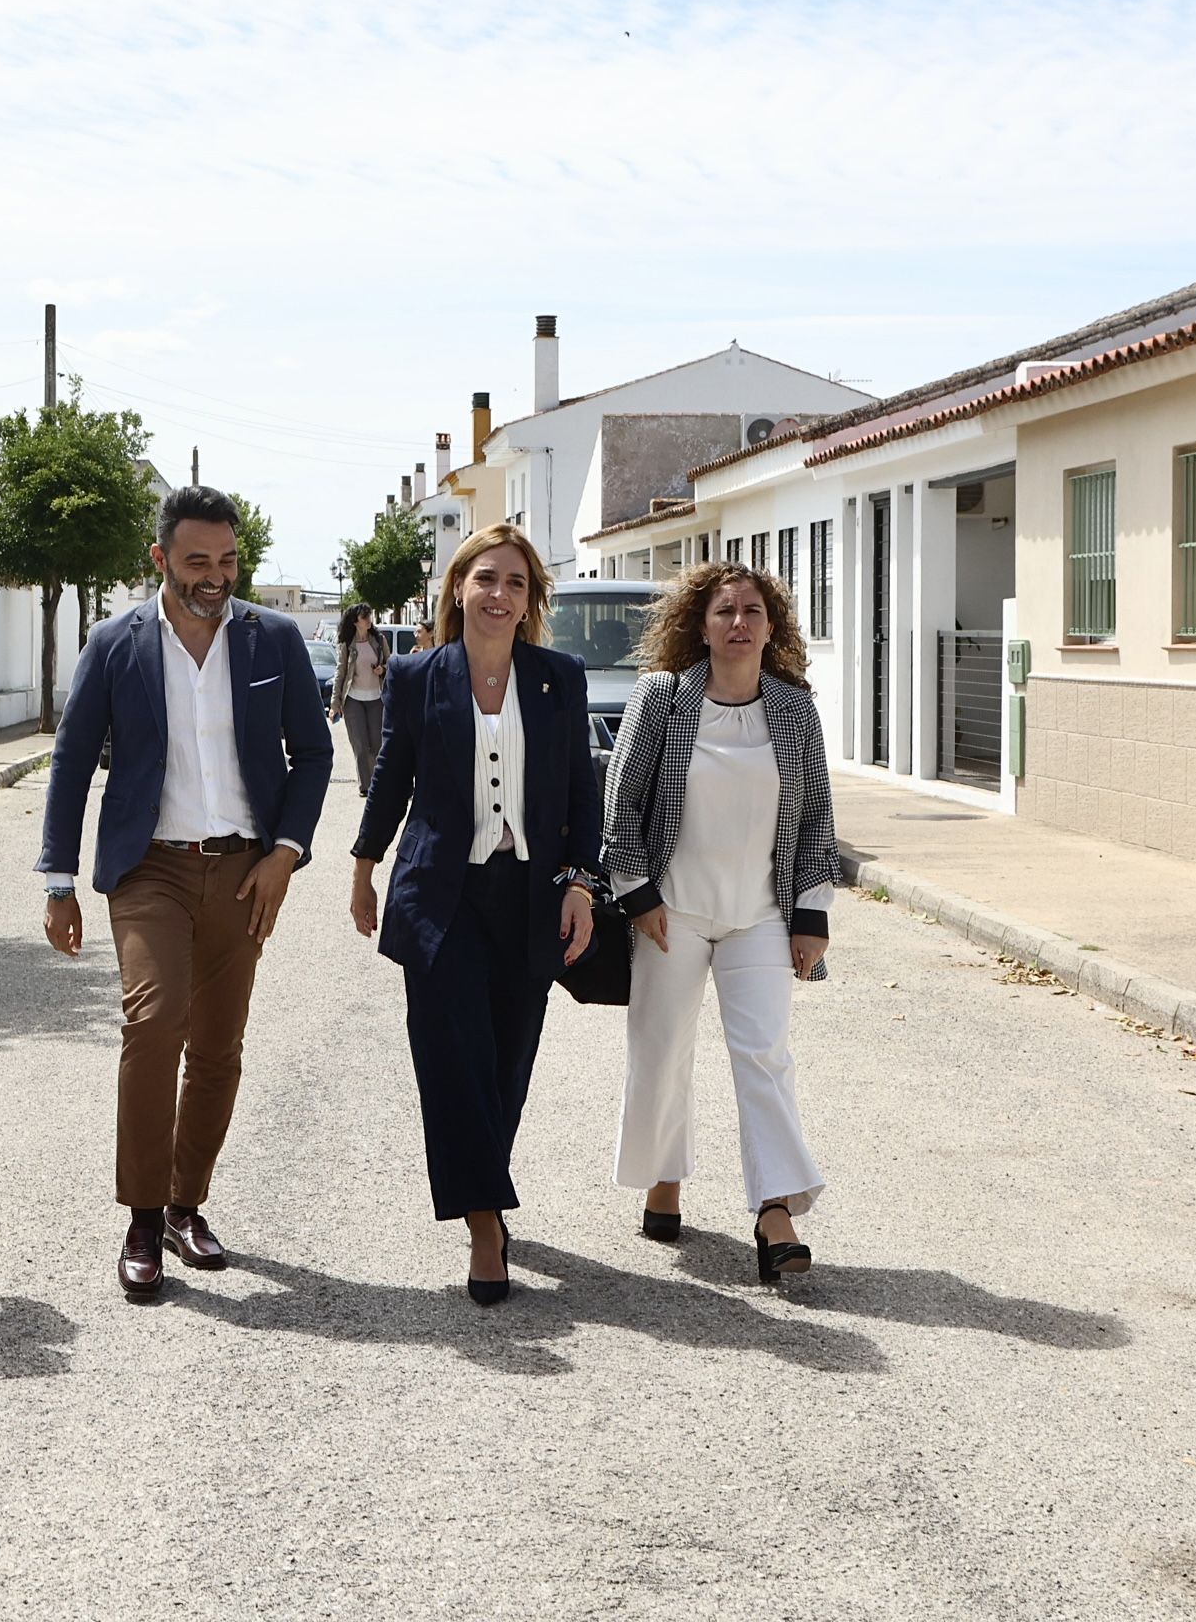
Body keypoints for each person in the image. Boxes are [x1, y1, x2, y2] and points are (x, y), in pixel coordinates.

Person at [38, 485, 334, 1302]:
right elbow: (69, 761)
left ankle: (184, 1203)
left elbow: (312, 754)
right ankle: (140, 1216)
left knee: (218, 1049)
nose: (216, 577)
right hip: (149, 869)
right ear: (160, 559)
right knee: (155, 1020)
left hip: (244, 871)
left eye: (229, 560)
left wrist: (285, 853)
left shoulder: (270, 638)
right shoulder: (116, 643)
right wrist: (59, 879)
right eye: (198, 561)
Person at [349, 527, 599, 1304]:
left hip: (531, 894)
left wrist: (580, 885)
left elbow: (581, 796)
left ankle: (485, 1186)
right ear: (458, 589)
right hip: (441, 897)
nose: (499, 595)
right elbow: (392, 776)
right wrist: (363, 869)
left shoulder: (560, 678)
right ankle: (485, 1226)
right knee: (453, 1059)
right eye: (485, 579)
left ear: (531, 601)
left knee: (508, 1064)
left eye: (516, 584)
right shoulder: (421, 674)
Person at [601, 561, 839, 1284]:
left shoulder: (795, 709)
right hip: (672, 911)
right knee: (663, 1049)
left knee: (764, 1054)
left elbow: (817, 820)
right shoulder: (663, 699)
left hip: (760, 915)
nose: (739, 623)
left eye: (753, 612)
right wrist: (638, 896)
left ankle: (774, 1212)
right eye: (724, 612)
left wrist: (811, 915)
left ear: (772, 628)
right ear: (699, 626)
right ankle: (663, 1178)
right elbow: (622, 804)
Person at [329, 604, 390, 795]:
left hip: (376, 698)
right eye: (365, 617)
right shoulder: (347, 643)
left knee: (377, 743)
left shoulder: (379, 640)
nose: (369, 619)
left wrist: (383, 669)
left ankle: (378, 781)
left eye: (369, 616)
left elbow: (391, 663)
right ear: (356, 621)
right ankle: (366, 786)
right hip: (353, 699)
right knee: (360, 745)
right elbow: (340, 673)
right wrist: (335, 704)